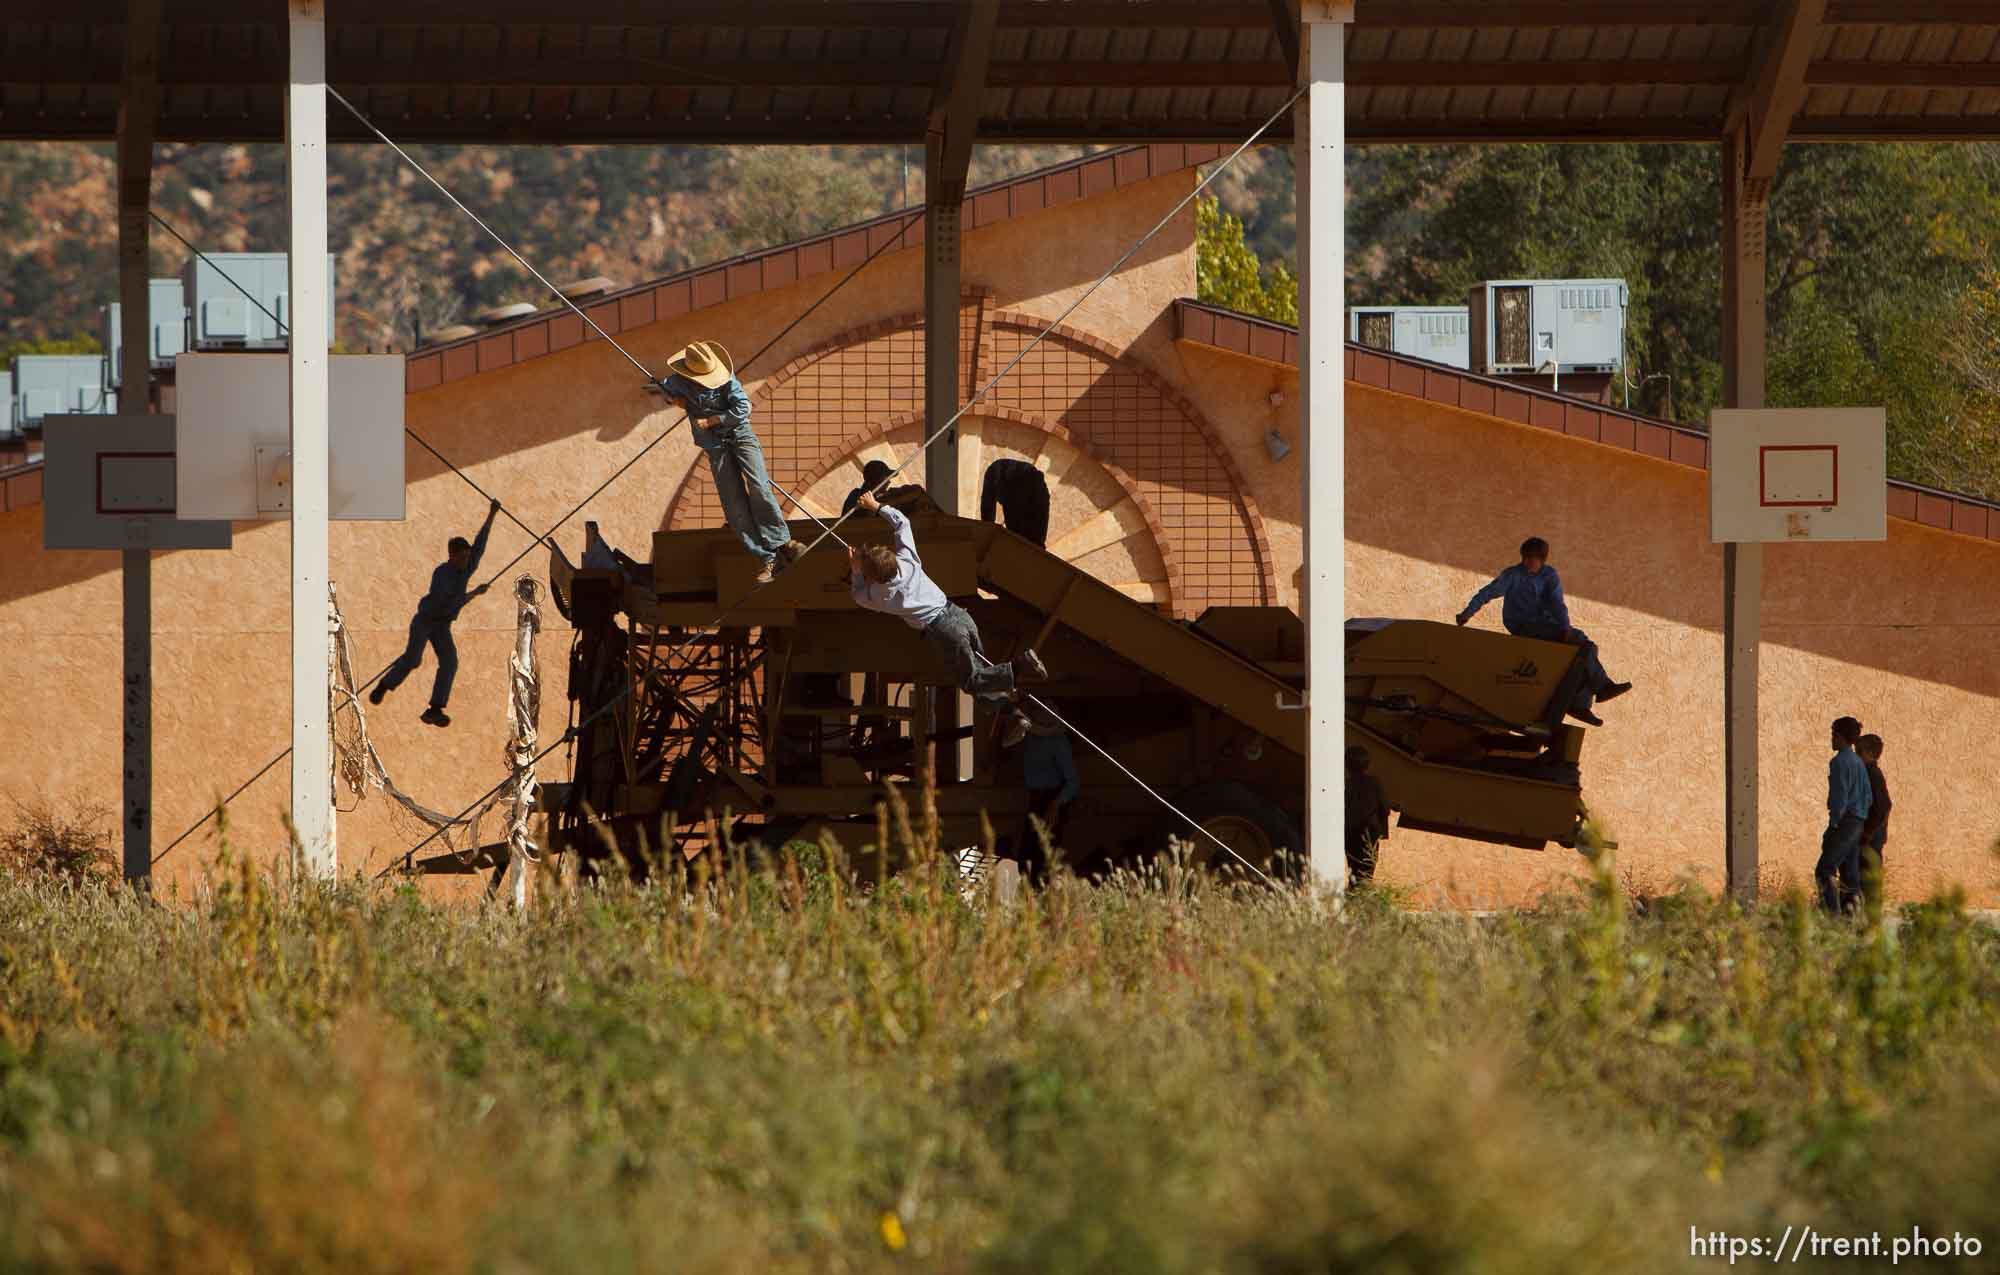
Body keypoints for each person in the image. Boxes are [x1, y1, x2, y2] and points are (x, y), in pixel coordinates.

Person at [848, 487, 1049, 749]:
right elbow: (902, 522)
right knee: (981, 677)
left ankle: (1021, 666)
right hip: (959, 615)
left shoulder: (881, 595)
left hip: (942, 631)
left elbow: (858, 596)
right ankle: (1013, 715)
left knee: (971, 680)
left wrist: (855, 572)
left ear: (873, 577)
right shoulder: (908, 561)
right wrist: (876, 506)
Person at [654, 339, 799, 584]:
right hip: (715, 446)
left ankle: (782, 542)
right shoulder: (678, 381)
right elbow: (665, 388)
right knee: (733, 505)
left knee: (758, 486)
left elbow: (744, 408)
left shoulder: (728, 380)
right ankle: (767, 558)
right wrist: (674, 400)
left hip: (740, 435)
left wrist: (712, 421)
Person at [1456, 535, 1632, 726]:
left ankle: (1581, 703)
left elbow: (1557, 604)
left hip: (1547, 624)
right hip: (1522, 624)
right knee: (1582, 645)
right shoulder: (1513, 575)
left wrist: (1564, 627)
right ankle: (1599, 689)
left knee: (1586, 649)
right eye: (1525, 558)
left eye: (1533, 558)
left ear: (1542, 559)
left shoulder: (1549, 575)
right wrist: (1467, 613)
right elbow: (1487, 593)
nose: (1528, 562)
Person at [372, 498, 500, 728]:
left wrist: (492, 515)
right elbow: (451, 601)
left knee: (450, 662)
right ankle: (384, 686)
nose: (465, 562)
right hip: (426, 621)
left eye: (467, 557)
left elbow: (480, 544)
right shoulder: (442, 574)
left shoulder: (467, 564)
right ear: (451, 556)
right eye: (461, 558)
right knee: (413, 660)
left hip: (442, 625)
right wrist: (475, 593)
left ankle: (435, 709)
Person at [1014, 699, 1079, 887]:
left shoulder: (1058, 742)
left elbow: (1073, 782)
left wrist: (1056, 804)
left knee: (1042, 858)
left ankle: (1040, 901)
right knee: (1027, 857)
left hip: (1052, 800)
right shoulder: (1029, 738)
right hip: (1036, 799)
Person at [1816, 716, 1872, 915]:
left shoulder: (1839, 762)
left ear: (1840, 737)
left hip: (1845, 821)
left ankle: (1832, 916)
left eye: (1833, 734)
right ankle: (1856, 917)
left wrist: (1834, 824)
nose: (1831, 739)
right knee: (1850, 874)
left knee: (1825, 869)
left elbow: (1840, 796)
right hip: (1858, 821)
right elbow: (1868, 796)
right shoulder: (1858, 762)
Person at [1344, 745, 1392, 886]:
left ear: (1346, 765)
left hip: (1349, 835)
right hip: (1370, 834)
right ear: (1367, 764)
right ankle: (1361, 903)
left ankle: (1353, 901)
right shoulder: (1375, 783)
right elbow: (1385, 809)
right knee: (1367, 874)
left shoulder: (1345, 785)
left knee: (1354, 871)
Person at [1856, 733, 1893, 911]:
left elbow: (1883, 805)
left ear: (1869, 753)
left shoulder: (1872, 773)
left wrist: (1868, 832)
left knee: (1868, 880)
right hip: (1871, 837)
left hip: (1871, 839)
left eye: (1859, 751)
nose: (1856, 755)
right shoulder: (1869, 772)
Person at [979, 457, 1052, 547]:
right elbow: (987, 509)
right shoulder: (996, 476)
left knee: (1026, 538)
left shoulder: (1033, 490)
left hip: (1023, 481)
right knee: (1024, 538)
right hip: (1017, 482)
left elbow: (987, 509)